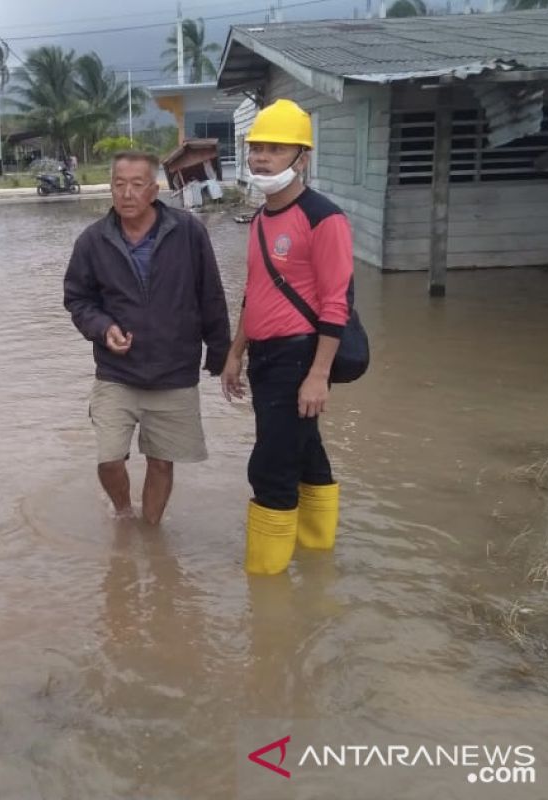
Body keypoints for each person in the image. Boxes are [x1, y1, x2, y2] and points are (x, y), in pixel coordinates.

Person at [220, 99, 354, 575]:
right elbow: (254, 295)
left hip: (301, 357)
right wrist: (235, 354)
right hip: (266, 356)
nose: (260, 158)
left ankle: (266, 584)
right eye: (256, 148)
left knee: (271, 466)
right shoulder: (259, 219)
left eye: (274, 149)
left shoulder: (324, 217)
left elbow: (336, 303)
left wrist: (318, 375)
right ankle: (319, 558)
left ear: (302, 158)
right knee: (306, 451)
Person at [64, 151, 231, 525]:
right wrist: (103, 328)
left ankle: (151, 533)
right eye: (119, 185)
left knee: (161, 460)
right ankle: (123, 513)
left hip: (174, 371)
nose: (126, 193)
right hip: (117, 371)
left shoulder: (188, 232)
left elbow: (211, 295)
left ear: (154, 190)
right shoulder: (93, 241)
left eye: (137, 185)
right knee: (108, 459)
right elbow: (77, 298)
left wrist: (220, 354)